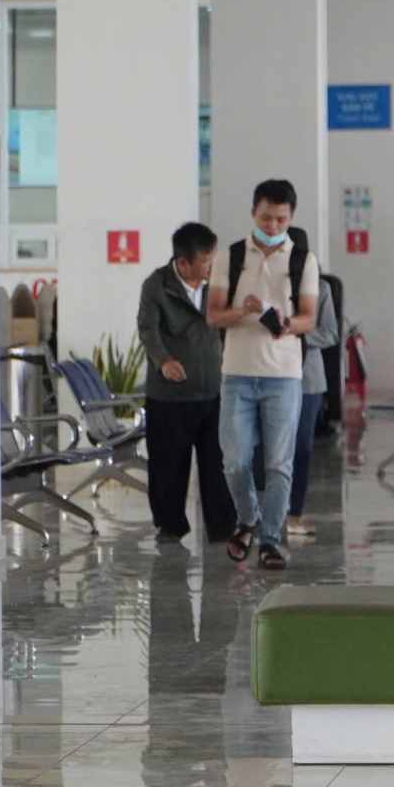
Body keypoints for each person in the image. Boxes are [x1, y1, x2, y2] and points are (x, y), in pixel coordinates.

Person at [208, 179, 319, 570]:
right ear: (253, 212)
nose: (272, 225)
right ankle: (248, 517)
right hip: (237, 374)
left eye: (281, 219)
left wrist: (289, 323)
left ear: (291, 217)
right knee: (235, 461)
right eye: (266, 217)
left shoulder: (303, 259)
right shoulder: (230, 256)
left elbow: (310, 317)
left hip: (284, 376)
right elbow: (213, 314)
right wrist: (243, 310)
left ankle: (270, 539)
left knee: (278, 464)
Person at [136, 222, 238, 546]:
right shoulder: (157, 285)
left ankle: (222, 528)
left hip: (213, 391)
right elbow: (148, 330)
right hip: (169, 397)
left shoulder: (217, 286)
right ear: (184, 262)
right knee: (169, 466)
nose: (212, 266)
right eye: (206, 260)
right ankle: (170, 527)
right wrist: (163, 361)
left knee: (217, 464)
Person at [255, 250, 338, 543]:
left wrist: (293, 332)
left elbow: (329, 334)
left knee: (300, 448)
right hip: (269, 375)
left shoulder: (322, 289)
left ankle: (294, 514)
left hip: (308, 381)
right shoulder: (264, 286)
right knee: (266, 448)